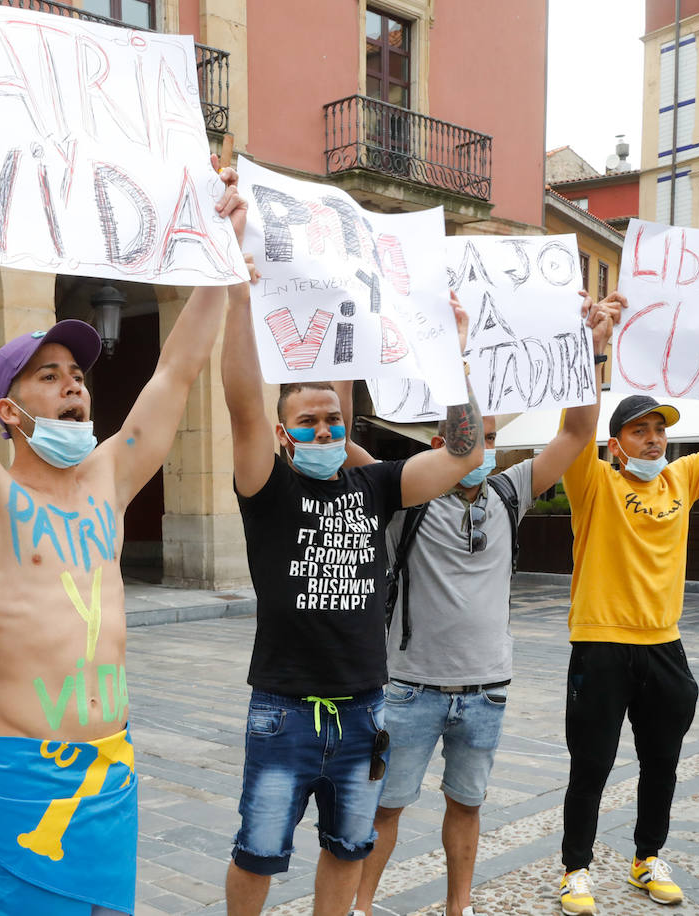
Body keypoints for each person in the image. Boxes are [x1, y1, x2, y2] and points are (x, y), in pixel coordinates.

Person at [0, 150, 250, 915]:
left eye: (77, 374)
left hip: (112, 772)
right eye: (48, 375)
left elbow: (179, 369)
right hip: (28, 780)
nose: (74, 383)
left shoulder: (107, 484)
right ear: (10, 412)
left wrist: (221, 256)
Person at [346, 293, 624, 916]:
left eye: (492, 438)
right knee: (386, 807)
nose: (481, 450)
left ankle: (459, 907)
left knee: (467, 805)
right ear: (442, 440)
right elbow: (342, 446)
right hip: (411, 687)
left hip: (486, 689)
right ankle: (360, 906)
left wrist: (593, 349)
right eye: (469, 437)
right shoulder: (405, 494)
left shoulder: (510, 491)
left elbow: (578, 431)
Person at [220, 279, 484, 916]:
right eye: (306, 423)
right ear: (285, 437)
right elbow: (241, 407)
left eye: (333, 420)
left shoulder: (375, 485)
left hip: (364, 711)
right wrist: (236, 300)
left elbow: (463, 452)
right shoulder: (268, 489)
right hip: (283, 710)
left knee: (348, 848)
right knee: (258, 850)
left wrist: (455, 355)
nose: (323, 430)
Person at [555, 385, 699, 914]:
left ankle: (646, 859)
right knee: (590, 765)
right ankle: (576, 871)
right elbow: (574, 430)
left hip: (665, 645)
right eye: (640, 431)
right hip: (600, 644)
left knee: (663, 762)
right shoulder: (592, 484)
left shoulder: (681, 479)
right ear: (616, 445)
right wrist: (589, 360)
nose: (654, 439)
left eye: (660, 430)